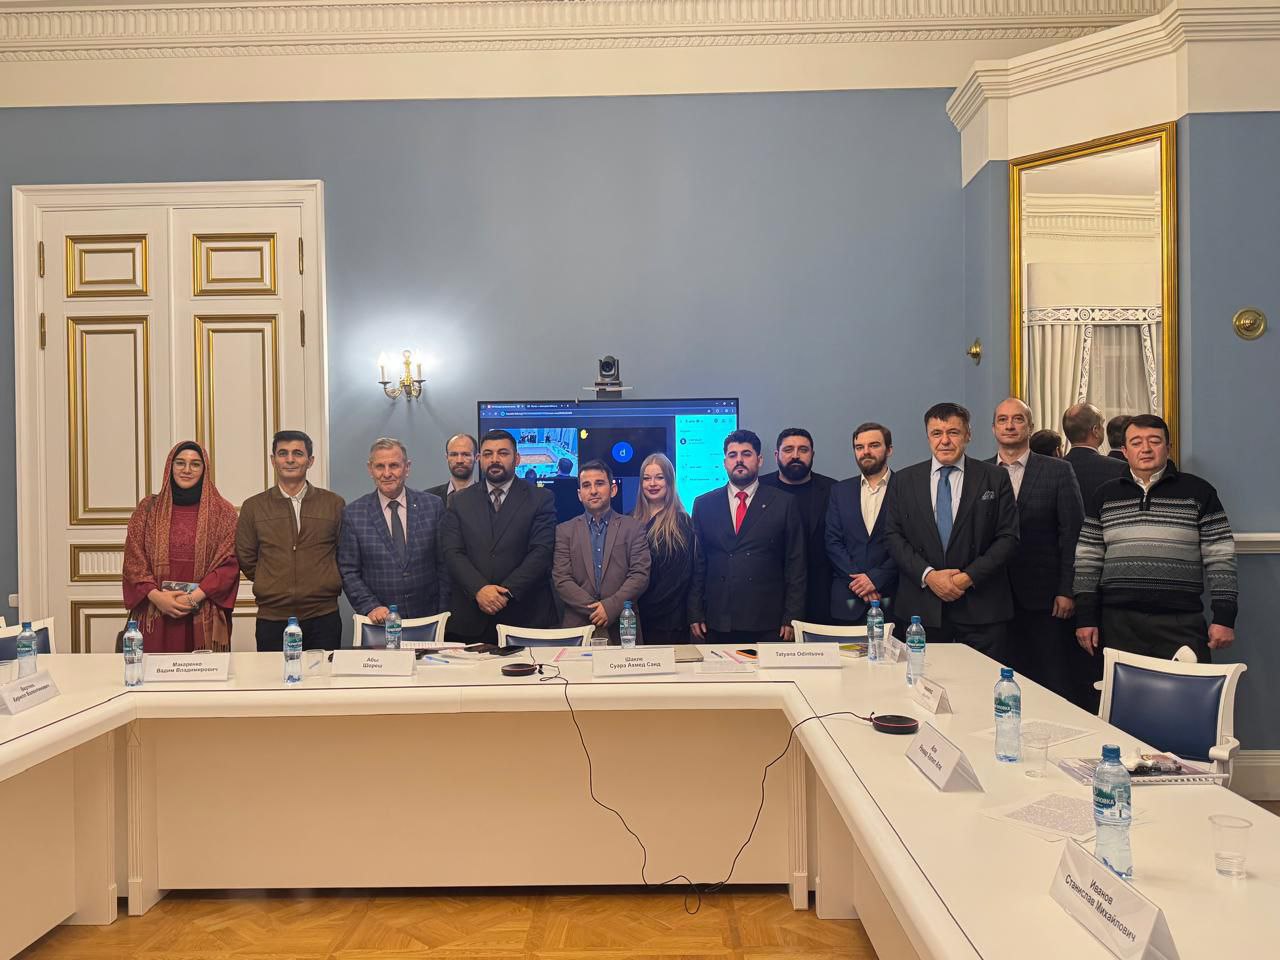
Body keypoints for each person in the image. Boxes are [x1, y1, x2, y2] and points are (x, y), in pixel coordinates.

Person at [1075, 414, 1237, 662]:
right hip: (1117, 622)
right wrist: (1085, 616)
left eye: (1154, 441)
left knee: (1186, 688)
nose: (1146, 449)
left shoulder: (1199, 492)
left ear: (1168, 447)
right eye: (1136, 442)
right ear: (1125, 451)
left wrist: (1224, 617)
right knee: (1121, 689)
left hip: (1181, 620)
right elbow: (1088, 559)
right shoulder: (1105, 495)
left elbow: (1221, 556)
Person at [884, 402, 1019, 662]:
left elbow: (1008, 538)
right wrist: (929, 576)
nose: (944, 441)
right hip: (922, 608)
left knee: (981, 682)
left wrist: (966, 578)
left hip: (982, 607)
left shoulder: (995, 477)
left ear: (968, 435)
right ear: (928, 437)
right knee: (922, 681)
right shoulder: (904, 480)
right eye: (937, 433)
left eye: (953, 432)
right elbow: (893, 537)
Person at [989, 398, 1084, 697]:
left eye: (1017, 419)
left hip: (1044, 597)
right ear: (993, 428)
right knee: (997, 678)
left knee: (1051, 678)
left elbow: (1072, 533)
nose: (1010, 425)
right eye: (1003, 420)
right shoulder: (979, 472)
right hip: (991, 596)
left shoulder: (1058, 471)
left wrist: (1067, 589)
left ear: (1030, 426)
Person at [440, 429, 558, 643]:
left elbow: (541, 552)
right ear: (480, 459)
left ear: (517, 459)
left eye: (503, 453)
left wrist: (505, 593)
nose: (494, 459)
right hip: (471, 619)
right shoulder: (459, 501)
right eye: (488, 454)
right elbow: (452, 552)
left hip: (525, 617)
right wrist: (479, 590)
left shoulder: (540, 498)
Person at [690, 430, 806, 644]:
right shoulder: (704, 504)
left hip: (768, 619)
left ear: (759, 460)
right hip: (718, 618)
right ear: (725, 462)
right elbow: (699, 562)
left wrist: (792, 616)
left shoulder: (783, 503)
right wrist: (695, 611)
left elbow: (795, 564)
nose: (739, 460)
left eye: (746, 454)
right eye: (732, 455)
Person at [122, 441, 239, 652]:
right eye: (180, 463)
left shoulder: (224, 513)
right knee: (154, 672)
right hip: (155, 612)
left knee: (201, 673)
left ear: (205, 470)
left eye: (195, 464)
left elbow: (228, 564)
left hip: (202, 611)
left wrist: (193, 598)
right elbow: (134, 559)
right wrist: (157, 597)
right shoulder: (148, 509)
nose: (187, 469)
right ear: (170, 466)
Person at [236, 430, 346, 651]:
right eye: (283, 453)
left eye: (297, 453)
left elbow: (344, 554)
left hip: (323, 616)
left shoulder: (333, 504)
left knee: (323, 673)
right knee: (272, 674)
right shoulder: (253, 507)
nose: (290, 459)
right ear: (273, 460)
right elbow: (246, 557)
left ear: (310, 461)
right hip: (272, 618)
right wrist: (272, 580)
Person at [338, 438, 449, 626]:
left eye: (394, 465)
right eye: (380, 466)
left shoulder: (432, 505)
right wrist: (370, 606)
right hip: (379, 621)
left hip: (429, 618)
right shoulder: (354, 513)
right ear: (370, 469)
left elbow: (444, 564)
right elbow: (348, 570)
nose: (387, 473)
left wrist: (443, 612)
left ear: (407, 468)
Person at [553, 460, 651, 643]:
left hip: (623, 625)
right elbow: (562, 579)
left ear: (613, 490)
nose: (593, 491)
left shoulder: (634, 528)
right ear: (579, 494)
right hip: (578, 628)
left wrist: (610, 608)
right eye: (586, 485)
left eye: (599, 483)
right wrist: (596, 610)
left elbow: (640, 575)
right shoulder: (564, 531)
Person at [759, 428, 837, 624]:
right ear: (776, 455)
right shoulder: (759, 489)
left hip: (821, 597)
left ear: (812, 454)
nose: (795, 455)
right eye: (788, 450)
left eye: (803, 450)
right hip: (770, 597)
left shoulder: (834, 490)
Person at [825, 422, 898, 625]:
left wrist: (875, 579)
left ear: (889, 450)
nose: (866, 452)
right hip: (847, 599)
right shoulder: (840, 491)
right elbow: (833, 541)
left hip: (891, 598)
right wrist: (860, 582)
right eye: (859, 447)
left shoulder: (906, 488)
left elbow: (909, 542)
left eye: (874, 445)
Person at [631, 453, 695, 645]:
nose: (652, 484)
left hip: (669, 622)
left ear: (669, 482)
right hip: (635, 619)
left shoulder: (681, 522)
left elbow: (681, 577)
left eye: (659, 477)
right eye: (647, 478)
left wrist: (648, 607)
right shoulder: (630, 520)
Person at [1061, 403, 1127, 508]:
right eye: (1102, 424)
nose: (1103, 429)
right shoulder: (1120, 469)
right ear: (1095, 431)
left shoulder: (1053, 470)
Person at [425, 433, 478, 507]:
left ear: (476, 458)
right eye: (454, 455)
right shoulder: (428, 498)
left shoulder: (487, 498)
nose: (459, 460)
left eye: (466, 454)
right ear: (447, 458)